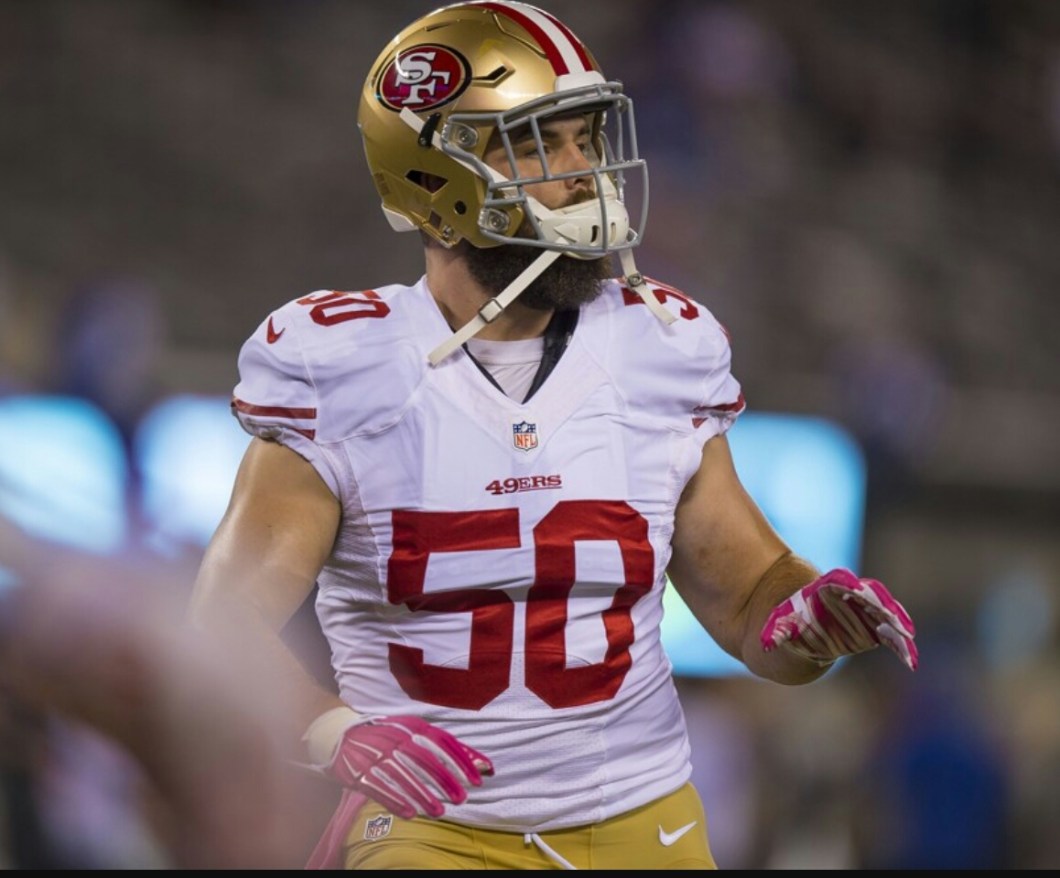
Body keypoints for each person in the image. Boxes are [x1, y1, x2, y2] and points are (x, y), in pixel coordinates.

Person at [189, 1, 918, 870]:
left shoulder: (660, 345)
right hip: (434, 828)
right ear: (435, 178)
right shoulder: (342, 367)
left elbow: (747, 592)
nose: (584, 174)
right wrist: (331, 729)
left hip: (646, 818)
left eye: (587, 140)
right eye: (542, 146)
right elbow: (220, 628)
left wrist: (802, 621)